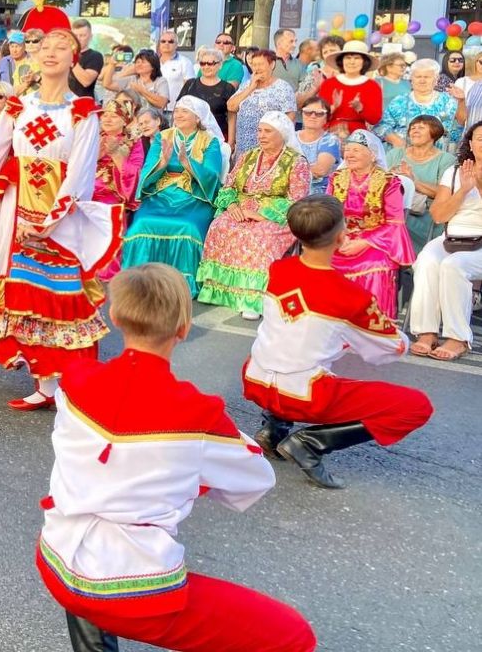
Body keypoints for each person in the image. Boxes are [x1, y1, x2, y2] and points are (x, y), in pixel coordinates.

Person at [37, 264, 315, 652]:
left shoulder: (75, 379)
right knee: (293, 636)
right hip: (129, 586)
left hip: (57, 558)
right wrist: (185, 478)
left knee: (94, 523)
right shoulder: (196, 414)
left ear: (115, 317)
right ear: (183, 329)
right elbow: (255, 479)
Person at [0, 0, 121, 410]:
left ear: (74, 57)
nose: (49, 52)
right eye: (43, 46)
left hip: (57, 217)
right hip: (15, 210)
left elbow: (79, 175)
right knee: (22, 297)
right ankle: (45, 385)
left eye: (60, 47)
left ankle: (70, 387)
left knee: (57, 299)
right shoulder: (19, 106)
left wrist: (49, 221)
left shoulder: (83, 112)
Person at [244, 195, 432, 490]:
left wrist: (340, 338)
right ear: (342, 236)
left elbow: (301, 324)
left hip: (255, 380)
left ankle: (274, 429)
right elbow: (389, 349)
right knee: (416, 406)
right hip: (305, 394)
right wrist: (381, 335)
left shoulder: (278, 270)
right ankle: (311, 443)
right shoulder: (350, 295)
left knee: (290, 350)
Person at [195, 112, 310, 319]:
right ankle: (220, 290)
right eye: (259, 130)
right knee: (220, 226)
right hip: (241, 209)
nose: (261, 135)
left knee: (259, 236)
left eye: (268, 131)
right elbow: (229, 185)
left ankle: (253, 299)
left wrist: (262, 214)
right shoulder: (248, 156)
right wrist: (231, 205)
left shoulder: (296, 162)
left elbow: (297, 199)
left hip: (275, 216)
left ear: (282, 134)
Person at [120, 96, 226, 296]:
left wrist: (189, 164)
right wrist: (162, 163)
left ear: (197, 118)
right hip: (162, 192)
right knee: (142, 224)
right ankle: (139, 278)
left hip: (194, 195)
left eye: (184, 111)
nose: (178, 115)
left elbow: (212, 175)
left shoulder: (209, 141)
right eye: (177, 110)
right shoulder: (163, 137)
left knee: (189, 228)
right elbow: (146, 170)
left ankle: (180, 282)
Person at [407, 119, 482, 361]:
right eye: (479, 138)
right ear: (470, 143)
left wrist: (479, 185)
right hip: (452, 236)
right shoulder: (454, 172)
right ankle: (426, 333)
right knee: (427, 260)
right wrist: (463, 190)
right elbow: (439, 215)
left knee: (453, 266)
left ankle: (457, 338)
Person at [326, 130, 413, 317]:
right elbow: (328, 214)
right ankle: (329, 319)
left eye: (356, 150)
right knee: (321, 258)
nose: (349, 154)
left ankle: (370, 322)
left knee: (375, 264)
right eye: (347, 150)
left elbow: (394, 222)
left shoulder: (390, 182)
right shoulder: (337, 179)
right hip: (341, 236)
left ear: (372, 154)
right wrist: (341, 237)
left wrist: (364, 242)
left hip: (376, 240)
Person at [387, 114, 454, 253]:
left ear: (434, 132)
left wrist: (413, 183)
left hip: (426, 214)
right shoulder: (395, 154)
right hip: (393, 208)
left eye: (421, 127)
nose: (415, 130)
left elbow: (445, 193)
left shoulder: (446, 160)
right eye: (412, 128)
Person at [374, 58, 464, 148]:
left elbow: (459, 127)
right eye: (418, 77)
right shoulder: (399, 101)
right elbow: (382, 126)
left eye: (427, 77)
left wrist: (462, 101)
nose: (422, 81)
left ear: (436, 79)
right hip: (403, 154)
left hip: (438, 156)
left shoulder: (448, 101)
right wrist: (395, 140)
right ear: (412, 79)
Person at [227, 49, 297, 156]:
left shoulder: (283, 87)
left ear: (272, 65)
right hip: (242, 148)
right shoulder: (247, 85)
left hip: (268, 149)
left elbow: (289, 120)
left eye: (260, 64)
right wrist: (251, 88)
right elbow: (231, 107)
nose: (256, 68)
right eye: (254, 65)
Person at [318, 40, 382, 137]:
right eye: (348, 58)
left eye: (356, 58)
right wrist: (333, 107)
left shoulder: (372, 86)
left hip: (358, 136)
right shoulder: (328, 84)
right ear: (342, 61)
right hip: (330, 134)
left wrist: (360, 109)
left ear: (364, 62)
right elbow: (318, 114)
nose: (352, 62)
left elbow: (375, 119)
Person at [178, 47, 235, 139]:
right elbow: (178, 109)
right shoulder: (190, 84)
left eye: (211, 63)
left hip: (217, 137)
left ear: (220, 64)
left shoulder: (227, 88)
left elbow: (232, 117)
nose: (206, 67)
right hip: (189, 136)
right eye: (203, 63)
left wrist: (231, 141)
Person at [295, 97, 341, 194]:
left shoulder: (330, 140)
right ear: (302, 114)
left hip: (319, 197)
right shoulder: (291, 137)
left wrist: (289, 171)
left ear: (326, 118)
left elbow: (321, 170)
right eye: (308, 112)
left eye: (319, 113)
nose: (313, 116)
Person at [103, 49, 170, 114]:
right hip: (134, 121)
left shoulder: (161, 81)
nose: (139, 64)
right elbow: (107, 84)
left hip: (153, 121)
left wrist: (142, 91)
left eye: (143, 62)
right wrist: (111, 65)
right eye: (137, 62)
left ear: (153, 66)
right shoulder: (132, 80)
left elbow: (161, 103)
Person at [155, 29, 195, 114]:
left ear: (176, 45)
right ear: (159, 44)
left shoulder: (184, 62)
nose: (166, 43)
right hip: (153, 110)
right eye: (163, 41)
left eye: (171, 41)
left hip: (174, 110)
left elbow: (190, 88)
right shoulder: (153, 62)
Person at [67, 18, 103, 100]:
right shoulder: (64, 54)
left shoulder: (95, 56)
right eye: (75, 36)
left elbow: (86, 81)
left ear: (90, 37)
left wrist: (72, 59)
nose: (78, 38)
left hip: (83, 104)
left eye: (82, 35)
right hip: (62, 102)